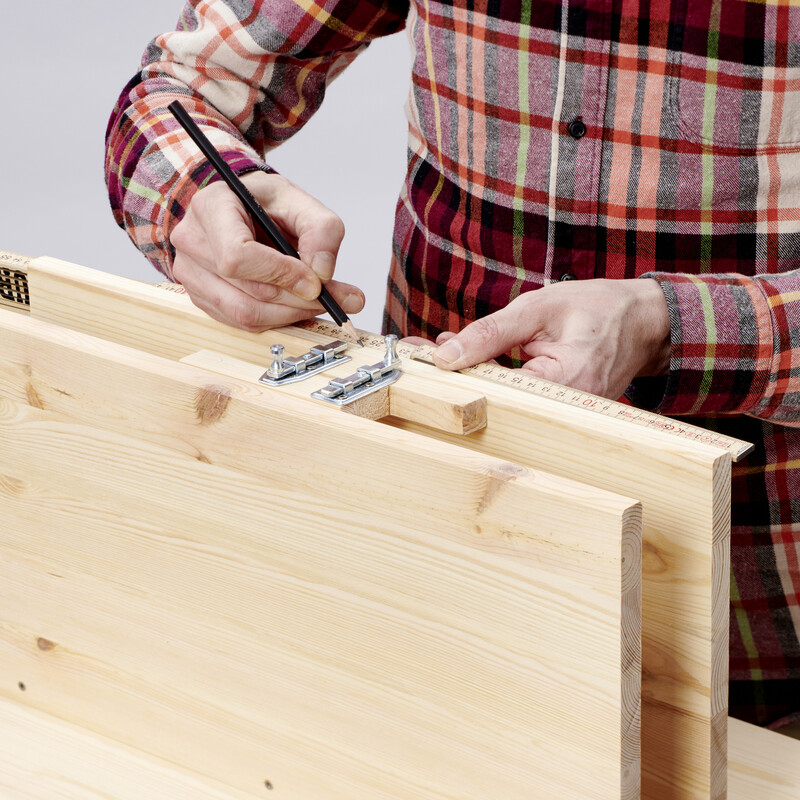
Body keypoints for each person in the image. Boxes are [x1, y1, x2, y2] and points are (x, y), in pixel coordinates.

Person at [106, 0, 800, 730]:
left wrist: (669, 326)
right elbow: (178, 88)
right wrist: (198, 197)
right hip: (426, 565)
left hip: (757, 614)